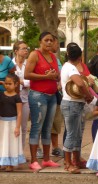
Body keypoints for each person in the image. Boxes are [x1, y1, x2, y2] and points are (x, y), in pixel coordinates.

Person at [24, 31, 61, 171]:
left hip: (52, 96)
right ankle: (34, 160)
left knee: (48, 127)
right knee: (36, 127)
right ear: (40, 42)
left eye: (51, 40)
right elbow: (27, 75)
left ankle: (46, 159)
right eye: (46, 40)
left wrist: (55, 76)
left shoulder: (53, 56)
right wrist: (45, 77)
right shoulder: (35, 55)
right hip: (38, 96)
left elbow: (56, 76)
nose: (49, 42)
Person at [60, 43, 94, 174]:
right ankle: (68, 163)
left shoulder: (66, 66)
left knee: (77, 133)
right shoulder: (72, 68)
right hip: (72, 103)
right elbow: (79, 83)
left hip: (72, 103)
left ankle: (76, 160)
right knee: (72, 134)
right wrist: (88, 95)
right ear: (80, 56)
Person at [0, 74, 26, 171]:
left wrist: (17, 127)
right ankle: (2, 162)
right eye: (6, 83)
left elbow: (19, 113)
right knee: (2, 142)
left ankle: (10, 164)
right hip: (2, 123)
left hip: (13, 123)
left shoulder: (17, 97)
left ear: (16, 84)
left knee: (12, 143)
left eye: (9, 84)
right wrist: (1, 82)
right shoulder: (1, 95)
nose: (7, 85)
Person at [12, 41, 30, 151]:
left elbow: (31, 82)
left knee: (23, 127)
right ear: (16, 51)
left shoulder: (28, 64)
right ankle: (12, 151)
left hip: (25, 98)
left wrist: (21, 82)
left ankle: (21, 152)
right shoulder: (10, 64)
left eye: (26, 48)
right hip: (12, 99)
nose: (26, 50)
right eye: (23, 48)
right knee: (12, 126)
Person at [50, 35, 64, 158]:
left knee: (55, 121)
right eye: (57, 44)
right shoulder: (37, 57)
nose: (57, 46)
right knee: (41, 122)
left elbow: (61, 75)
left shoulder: (56, 59)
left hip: (56, 94)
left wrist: (59, 83)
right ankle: (38, 148)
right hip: (43, 94)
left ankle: (55, 147)